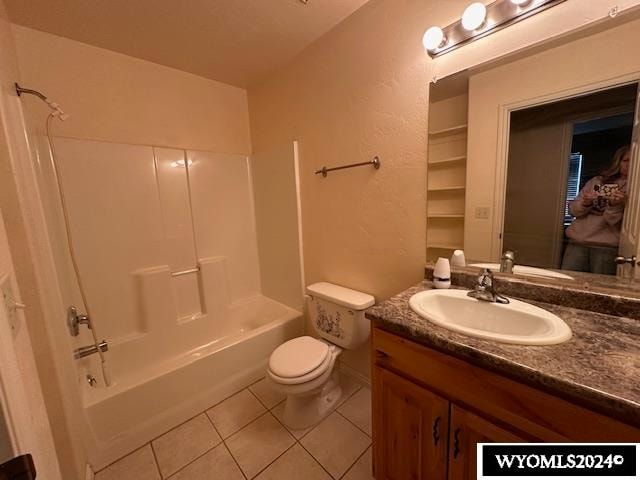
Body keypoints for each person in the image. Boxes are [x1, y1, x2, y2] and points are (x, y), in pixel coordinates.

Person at [561, 145, 630, 275]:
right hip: (577, 242)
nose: (629, 165)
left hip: (606, 247)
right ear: (618, 161)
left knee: (599, 288)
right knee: (566, 281)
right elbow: (573, 211)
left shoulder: (634, 188)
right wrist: (585, 203)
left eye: (634, 161)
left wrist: (615, 205)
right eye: (626, 160)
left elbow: (612, 221)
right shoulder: (598, 181)